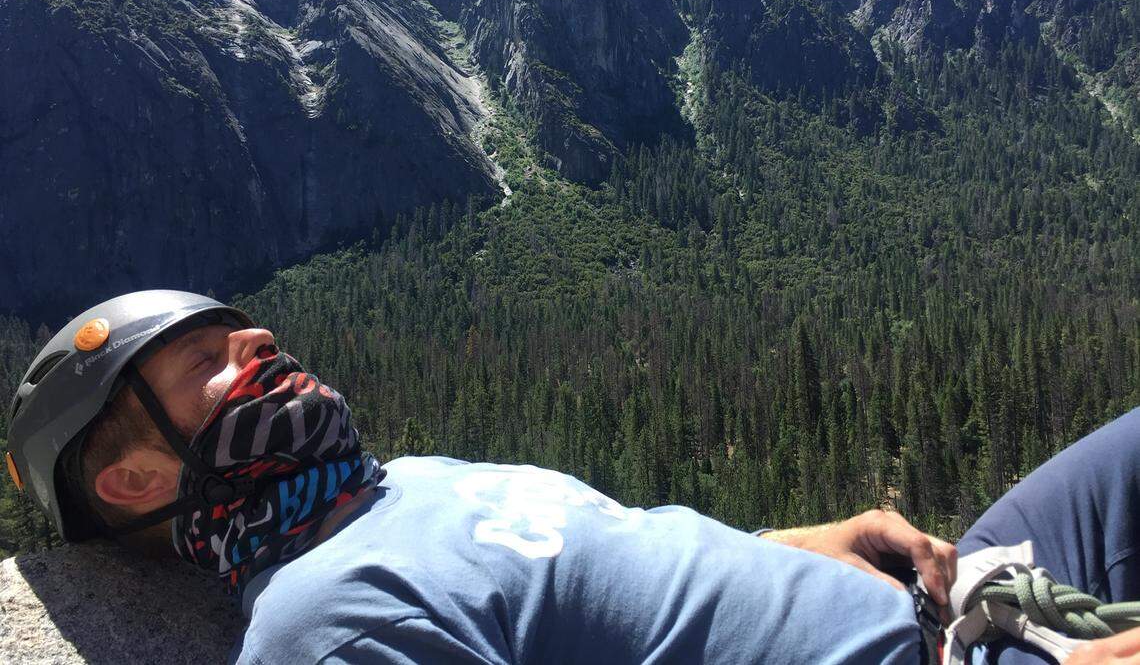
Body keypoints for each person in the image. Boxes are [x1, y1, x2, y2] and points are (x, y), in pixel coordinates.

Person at [5, 290, 1137, 664]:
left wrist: (792, 547)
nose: (258, 343)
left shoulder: (397, 484)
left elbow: (599, 569)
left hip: (949, 593)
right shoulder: (327, 626)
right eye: (206, 361)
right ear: (137, 481)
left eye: (246, 331)